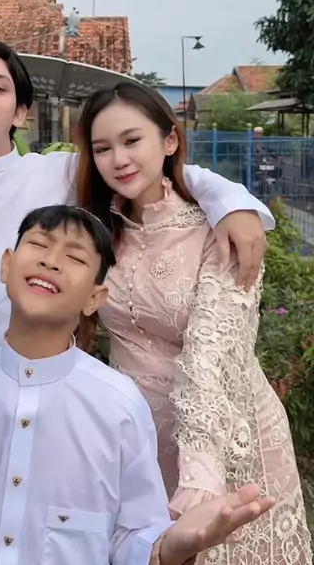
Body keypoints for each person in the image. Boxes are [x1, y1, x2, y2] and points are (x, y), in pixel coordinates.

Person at [0, 39, 273, 561]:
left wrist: (233, 201)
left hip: (45, 420)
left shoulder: (54, 177)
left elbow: (142, 166)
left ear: (21, 111)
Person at [0, 206, 275, 565]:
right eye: (39, 245)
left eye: (76, 258)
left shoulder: (118, 405)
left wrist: (171, 545)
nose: (51, 260)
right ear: (6, 266)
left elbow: (133, 536)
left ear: (95, 299)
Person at [74, 82, 312, 564]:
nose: (119, 158)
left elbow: (210, 355)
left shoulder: (218, 230)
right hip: (135, 447)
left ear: (170, 140)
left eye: (132, 140)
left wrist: (201, 475)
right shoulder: (97, 229)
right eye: (103, 148)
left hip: (227, 445)